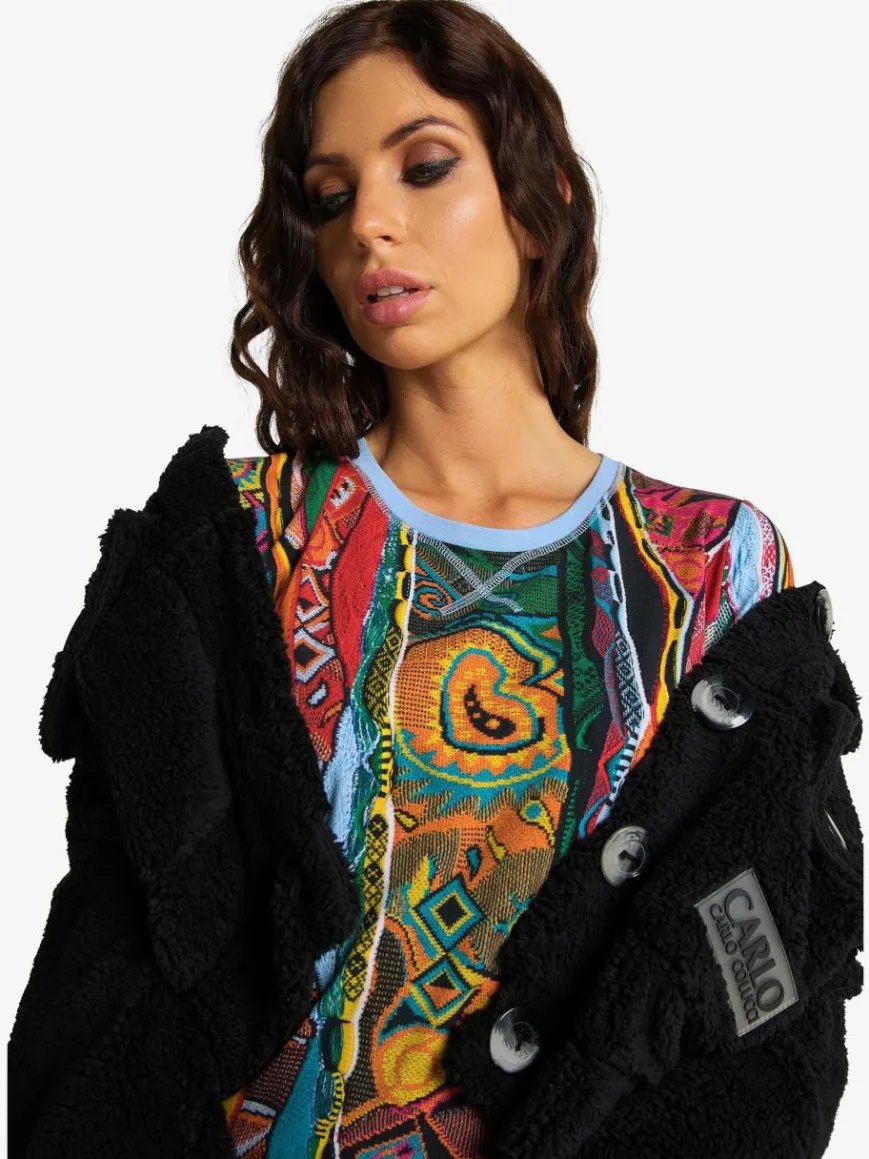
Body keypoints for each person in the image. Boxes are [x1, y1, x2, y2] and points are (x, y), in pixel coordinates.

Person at [8, 3, 862, 1158]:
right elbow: (112, 980)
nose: (369, 223)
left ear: (540, 197)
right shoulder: (232, 544)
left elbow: (765, 996)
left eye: (423, 167)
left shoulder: (712, 564)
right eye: (330, 196)